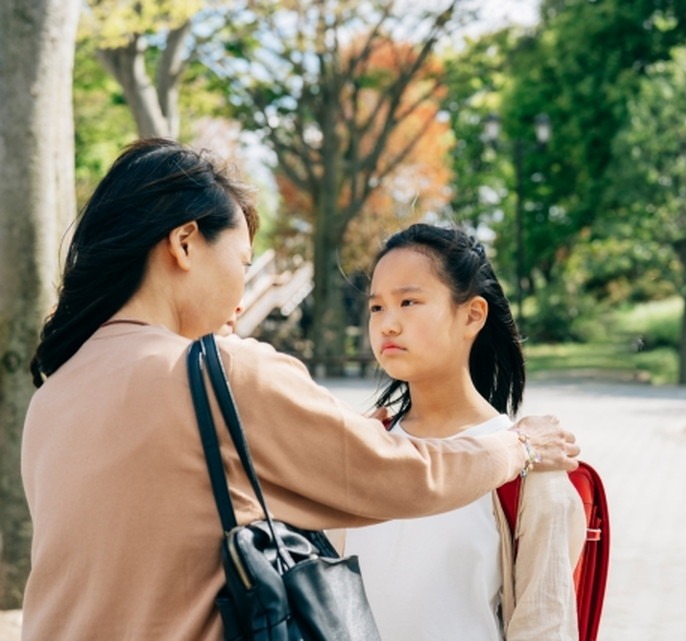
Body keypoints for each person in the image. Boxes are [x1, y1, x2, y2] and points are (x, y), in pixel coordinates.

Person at [20, 138, 579, 641]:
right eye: (241, 261)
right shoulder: (222, 374)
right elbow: (400, 476)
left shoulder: (54, 396)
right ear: (185, 244)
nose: (241, 295)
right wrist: (520, 448)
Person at [343, 224, 587, 641]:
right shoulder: (362, 448)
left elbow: (545, 626)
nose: (387, 324)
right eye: (377, 308)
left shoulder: (533, 471)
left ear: (472, 314)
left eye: (408, 301)